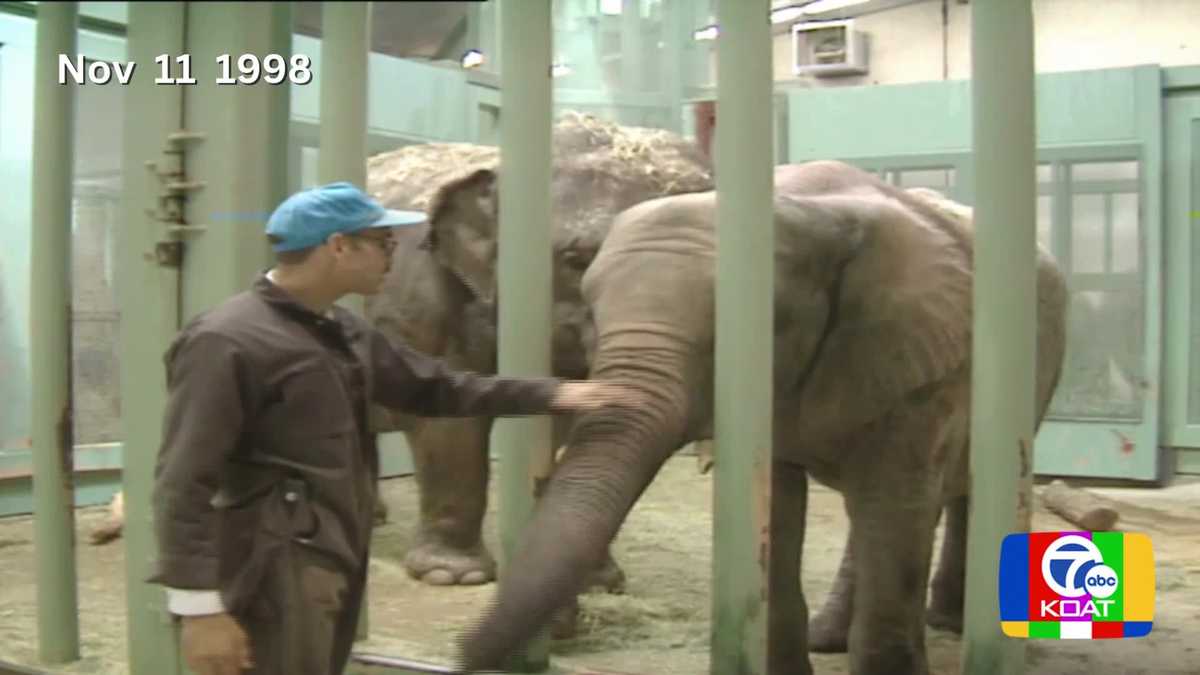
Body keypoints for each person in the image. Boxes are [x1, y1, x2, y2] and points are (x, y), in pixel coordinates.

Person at [148, 182, 634, 675]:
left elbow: (435, 387)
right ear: (338, 246)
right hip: (269, 562)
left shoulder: (340, 328)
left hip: (328, 550)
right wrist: (200, 609)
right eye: (383, 243)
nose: (393, 255)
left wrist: (554, 393)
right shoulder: (226, 340)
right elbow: (182, 482)